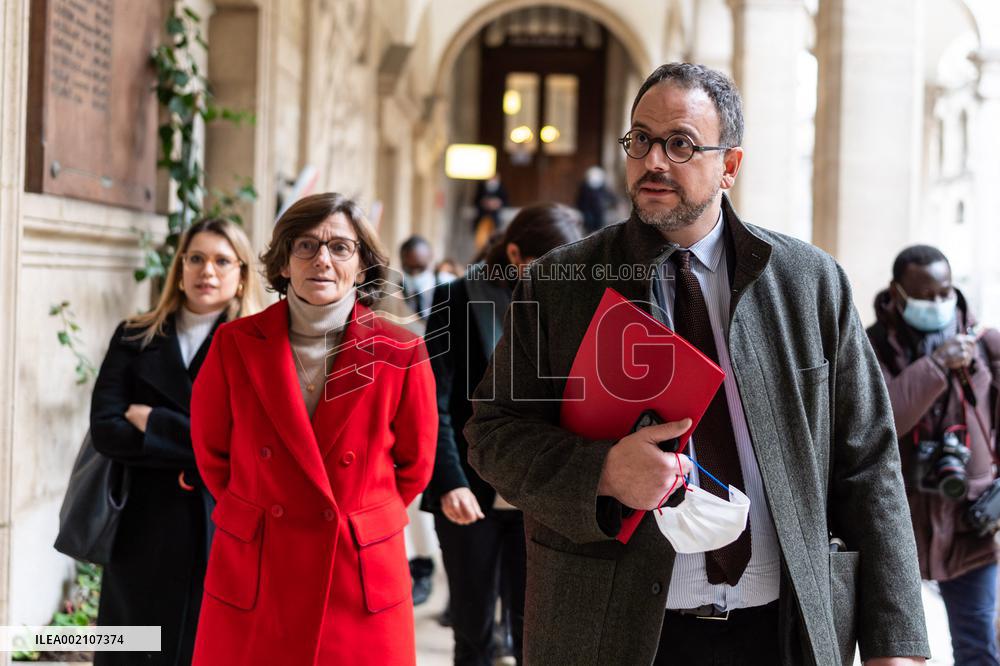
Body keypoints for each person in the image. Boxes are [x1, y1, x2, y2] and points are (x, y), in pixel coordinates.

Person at [464, 62, 930, 665]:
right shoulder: (561, 282)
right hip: (614, 629)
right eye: (641, 140)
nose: (653, 160)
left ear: (729, 166)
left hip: (782, 629)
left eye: (680, 143)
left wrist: (896, 643)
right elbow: (492, 435)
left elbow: (869, 461)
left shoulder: (809, 283)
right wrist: (601, 471)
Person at [189, 193, 437, 666]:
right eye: (306, 245)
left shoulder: (400, 351)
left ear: (362, 266)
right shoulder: (234, 344)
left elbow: (415, 465)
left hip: (356, 571)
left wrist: (354, 513)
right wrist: (259, 508)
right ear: (283, 263)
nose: (322, 259)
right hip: (258, 563)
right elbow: (211, 453)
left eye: (340, 247)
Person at [90, 218, 262, 666]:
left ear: (241, 276)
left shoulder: (257, 349)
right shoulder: (135, 334)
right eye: (197, 258)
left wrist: (155, 423)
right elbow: (107, 428)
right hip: (141, 524)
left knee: (202, 647)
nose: (208, 271)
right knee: (130, 646)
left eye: (223, 261)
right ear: (180, 269)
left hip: (216, 524)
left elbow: (248, 443)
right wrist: (199, 441)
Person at [422, 203, 582, 666]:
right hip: (469, 491)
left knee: (533, 631)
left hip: (539, 490)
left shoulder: (568, 304)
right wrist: (449, 480)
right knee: (473, 631)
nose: (559, 275)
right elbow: (434, 401)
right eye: (548, 264)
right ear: (514, 252)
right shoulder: (456, 299)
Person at [867, 245, 1000, 666]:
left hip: (970, 522)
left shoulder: (984, 347)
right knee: (897, 652)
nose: (939, 304)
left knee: (979, 644)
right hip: (897, 524)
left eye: (946, 293)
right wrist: (938, 365)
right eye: (926, 296)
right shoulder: (870, 347)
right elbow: (886, 418)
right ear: (898, 292)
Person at [575, 165, 617, 234]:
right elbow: (580, 200)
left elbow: (609, 195)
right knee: (590, 226)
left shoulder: (601, 186)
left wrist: (614, 201)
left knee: (598, 227)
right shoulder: (584, 187)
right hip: (587, 211)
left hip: (598, 211)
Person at [473, 176, 509, 250]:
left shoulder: (501, 189)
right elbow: (476, 200)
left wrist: (497, 203)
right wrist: (484, 202)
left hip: (494, 218)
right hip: (482, 217)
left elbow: (505, 202)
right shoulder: (482, 187)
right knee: (480, 240)